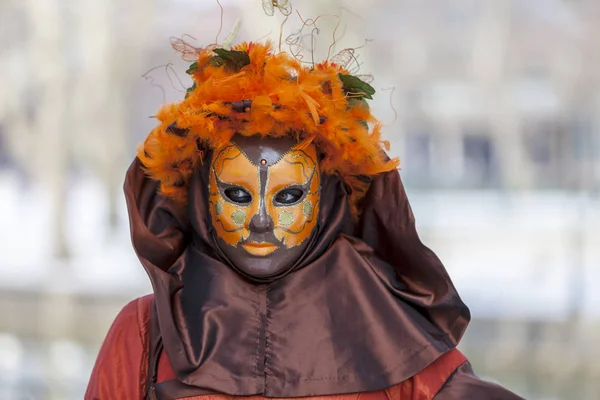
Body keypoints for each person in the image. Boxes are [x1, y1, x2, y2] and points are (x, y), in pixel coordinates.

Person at [85, 41, 523, 399]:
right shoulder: (146, 332)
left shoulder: (395, 337)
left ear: (330, 196)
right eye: (237, 194)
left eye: (289, 196)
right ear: (200, 196)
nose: (261, 221)